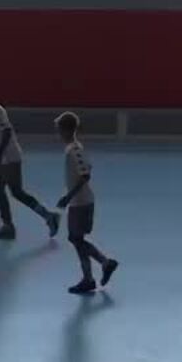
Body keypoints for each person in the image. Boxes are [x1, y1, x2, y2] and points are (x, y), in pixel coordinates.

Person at [0, 81, 60, 240]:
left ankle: (35, 219)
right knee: (7, 191)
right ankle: (21, 223)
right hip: (6, 157)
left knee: (11, 192)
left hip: (9, 157)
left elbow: (6, 131)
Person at [54, 113, 119, 294]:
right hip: (78, 201)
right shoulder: (72, 148)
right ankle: (89, 277)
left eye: (59, 129)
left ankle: (104, 264)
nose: (57, 133)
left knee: (75, 238)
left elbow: (85, 174)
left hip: (81, 202)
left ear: (66, 129)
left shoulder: (74, 150)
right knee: (77, 239)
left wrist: (68, 197)